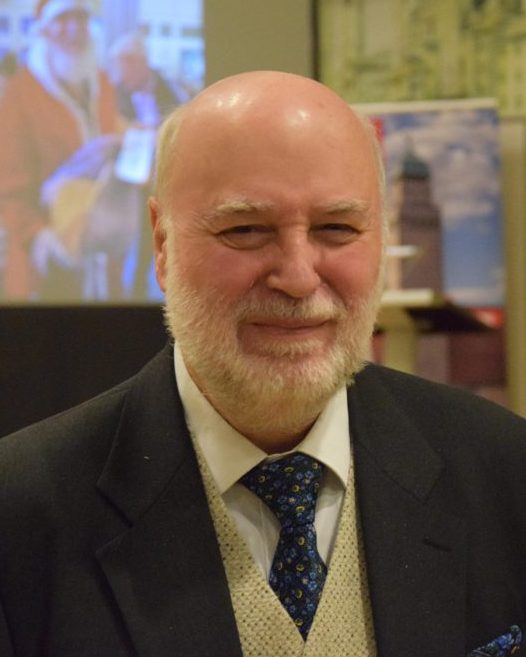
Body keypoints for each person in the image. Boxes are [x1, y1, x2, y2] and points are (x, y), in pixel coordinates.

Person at [0, 71, 525, 657]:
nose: (298, 277)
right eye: (246, 229)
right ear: (163, 244)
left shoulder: (505, 474)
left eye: (337, 228)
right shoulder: (21, 518)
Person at [0, 0, 119, 301]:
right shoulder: (20, 94)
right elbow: (9, 188)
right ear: (44, 29)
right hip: (44, 266)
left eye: (80, 18)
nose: (74, 29)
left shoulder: (102, 83)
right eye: (62, 19)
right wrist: (38, 236)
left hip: (101, 254)